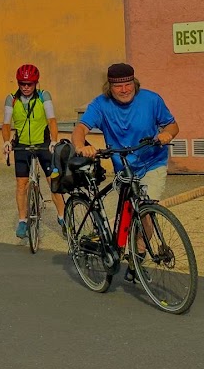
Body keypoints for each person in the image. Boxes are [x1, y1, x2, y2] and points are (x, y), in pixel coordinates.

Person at [71, 62, 178, 281]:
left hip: (152, 162)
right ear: (109, 87)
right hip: (123, 166)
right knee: (127, 214)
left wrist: (167, 134)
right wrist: (81, 145)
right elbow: (80, 129)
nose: (124, 89)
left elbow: (172, 125)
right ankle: (114, 243)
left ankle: (136, 262)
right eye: (118, 86)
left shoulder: (151, 100)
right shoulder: (101, 105)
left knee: (146, 210)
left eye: (128, 84)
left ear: (134, 83)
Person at [1, 64, 64, 239]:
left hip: (43, 143)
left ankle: (62, 216)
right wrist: (6, 141)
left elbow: (52, 120)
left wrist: (53, 140)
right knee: (22, 184)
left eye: (29, 84)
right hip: (22, 145)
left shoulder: (44, 96)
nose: (26, 87)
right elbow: (6, 124)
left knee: (54, 182)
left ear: (36, 83)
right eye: (22, 84)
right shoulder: (11, 99)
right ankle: (22, 220)